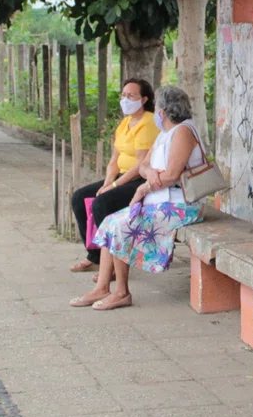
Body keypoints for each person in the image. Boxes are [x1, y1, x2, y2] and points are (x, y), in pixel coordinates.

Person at [69, 85, 207, 311]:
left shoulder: (183, 131)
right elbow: (143, 165)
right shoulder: (165, 133)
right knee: (110, 222)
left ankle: (121, 292)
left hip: (182, 205)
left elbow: (172, 175)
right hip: (161, 201)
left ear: (162, 112)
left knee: (121, 226)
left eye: (158, 108)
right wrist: (150, 173)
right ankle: (102, 288)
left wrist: (143, 189)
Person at [68, 78, 160, 273]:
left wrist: (115, 186)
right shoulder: (125, 123)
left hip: (140, 179)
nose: (125, 99)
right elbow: (114, 159)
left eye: (131, 95)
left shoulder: (148, 122)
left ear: (144, 99)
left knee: (101, 203)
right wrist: (108, 182)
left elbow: (141, 165)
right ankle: (95, 257)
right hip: (120, 176)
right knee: (80, 197)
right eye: (123, 95)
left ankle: (110, 266)